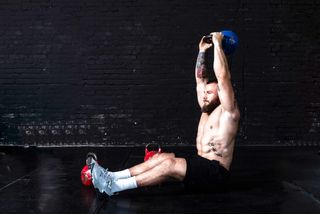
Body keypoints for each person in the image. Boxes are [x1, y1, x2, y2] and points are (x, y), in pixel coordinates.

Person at [89, 32, 240, 196]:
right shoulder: (206, 109)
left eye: (210, 93)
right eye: (205, 92)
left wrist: (218, 43)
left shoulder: (229, 111)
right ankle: (111, 176)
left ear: (221, 94)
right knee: (159, 158)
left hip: (216, 175)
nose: (204, 95)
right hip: (200, 166)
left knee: (169, 164)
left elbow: (223, 77)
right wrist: (202, 50)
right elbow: (200, 80)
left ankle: (114, 187)